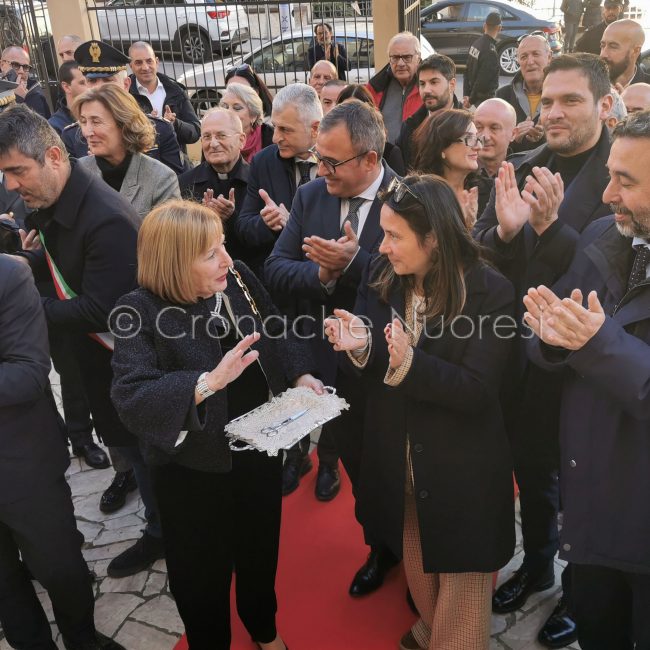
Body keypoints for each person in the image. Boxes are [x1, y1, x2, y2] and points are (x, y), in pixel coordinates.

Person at [110, 199, 321, 650]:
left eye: (223, 245)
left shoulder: (238, 276)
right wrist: (205, 384)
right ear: (174, 263)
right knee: (200, 578)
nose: (227, 258)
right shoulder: (138, 310)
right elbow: (130, 396)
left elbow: (275, 328)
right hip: (191, 473)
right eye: (211, 253)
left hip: (258, 452)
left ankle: (263, 628)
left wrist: (301, 373)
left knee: (259, 554)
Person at [324, 174, 516, 650]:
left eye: (393, 235)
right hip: (399, 456)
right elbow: (384, 355)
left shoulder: (491, 290)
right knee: (415, 548)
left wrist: (409, 363)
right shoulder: (389, 275)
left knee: (464, 580)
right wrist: (363, 345)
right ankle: (432, 629)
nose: (382, 247)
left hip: (462, 466)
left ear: (433, 238)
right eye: (383, 233)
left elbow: (477, 389)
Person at [475, 53, 613, 649]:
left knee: (587, 486)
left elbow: (607, 273)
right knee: (532, 474)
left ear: (605, 106)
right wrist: (506, 233)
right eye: (547, 100)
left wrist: (552, 230)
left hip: (588, 369)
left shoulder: (628, 173)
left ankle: (582, 592)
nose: (553, 111)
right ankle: (538, 567)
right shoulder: (525, 164)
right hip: (521, 361)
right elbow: (483, 249)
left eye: (571, 101)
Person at [0, 105, 164, 581]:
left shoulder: (105, 218)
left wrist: (24, 305)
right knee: (130, 450)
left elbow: (102, 309)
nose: (11, 185)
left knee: (145, 455)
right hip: (95, 360)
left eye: (17, 171)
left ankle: (162, 532)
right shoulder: (52, 201)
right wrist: (27, 267)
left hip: (127, 363)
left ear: (53, 156)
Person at [523, 108, 650, 650]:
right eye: (610, 176)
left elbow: (595, 343)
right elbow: (556, 332)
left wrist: (595, 345)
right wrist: (550, 340)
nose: (607, 195)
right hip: (591, 507)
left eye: (627, 181)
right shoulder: (604, 233)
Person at [266, 100, 402, 595]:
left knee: (397, 471)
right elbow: (276, 270)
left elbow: (417, 284)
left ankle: (417, 558)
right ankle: (380, 550)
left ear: (370, 159)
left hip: (389, 369)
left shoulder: (409, 197)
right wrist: (324, 273)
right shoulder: (310, 196)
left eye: (331, 162)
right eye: (318, 158)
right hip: (328, 364)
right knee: (359, 467)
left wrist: (358, 262)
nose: (319, 169)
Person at [0, 256, 124, 650]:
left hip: (21, 462)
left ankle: (83, 640)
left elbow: (28, 374)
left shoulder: (9, 275)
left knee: (60, 568)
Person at [235, 83, 321, 282]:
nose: (275, 138)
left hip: (326, 287)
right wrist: (266, 223)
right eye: (275, 127)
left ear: (315, 128)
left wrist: (291, 223)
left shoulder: (339, 162)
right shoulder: (264, 162)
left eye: (285, 130)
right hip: (280, 286)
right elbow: (244, 227)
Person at [63, 40, 185, 175]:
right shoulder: (72, 136)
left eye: (108, 81)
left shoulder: (159, 129)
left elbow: (175, 183)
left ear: (126, 85)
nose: (99, 88)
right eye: (92, 81)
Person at [74, 84, 180, 222]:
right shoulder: (76, 173)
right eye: (83, 122)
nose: (88, 132)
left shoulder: (161, 179)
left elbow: (168, 239)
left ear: (124, 124)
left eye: (96, 121)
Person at [179, 108, 250, 266]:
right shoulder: (184, 183)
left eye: (221, 135)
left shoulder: (258, 181)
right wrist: (203, 221)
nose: (213, 143)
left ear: (241, 140)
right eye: (206, 137)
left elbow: (262, 241)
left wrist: (232, 218)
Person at [412, 109, 492, 228]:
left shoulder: (490, 191)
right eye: (469, 139)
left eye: (478, 139)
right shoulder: (417, 197)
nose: (479, 146)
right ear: (442, 147)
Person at [128, 41, 200, 153]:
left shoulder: (175, 90)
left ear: (156, 62)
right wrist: (142, 127)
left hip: (175, 165)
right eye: (138, 63)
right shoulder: (125, 94)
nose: (145, 67)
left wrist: (175, 123)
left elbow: (195, 132)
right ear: (131, 66)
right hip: (140, 164)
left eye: (149, 61)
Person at [397, 54, 460, 170]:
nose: (426, 90)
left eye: (434, 82)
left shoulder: (470, 126)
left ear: (452, 85)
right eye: (422, 84)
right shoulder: (410, 127)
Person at [497, 35, 552, 153]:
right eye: (524, 56)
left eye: (536, 54)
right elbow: (492, 143)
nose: (530, 61)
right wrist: (513, 139)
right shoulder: (503, 97)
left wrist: (545, 137)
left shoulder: (562, 96)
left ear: (549, 57)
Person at [336, 83, 406, 175]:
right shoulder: (331, 150)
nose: (351, 117)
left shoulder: (390, 153)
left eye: (357, 111)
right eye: (344, 110)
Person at [367, 31, 423, 144]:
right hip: (385, 157)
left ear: (418, 59)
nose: (401, 63)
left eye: (407, 57)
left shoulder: (429, 88)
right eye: (395, 57)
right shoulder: (375, 88)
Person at [220, 82, 273, 162]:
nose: (229, 112)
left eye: (237, 108)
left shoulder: (271, 138)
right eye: (225, 107)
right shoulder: (212, 138)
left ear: (253, 116)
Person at [463, 12, 502, 109]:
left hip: (476, 97)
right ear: (499, 28)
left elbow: (467, 71)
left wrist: (466, 95)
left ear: (484, 26)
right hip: (485, 100)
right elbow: (482, 81)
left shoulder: (476, 44)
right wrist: (471, 100)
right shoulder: (490, 51)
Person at [0, 45, 50, 119]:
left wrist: (18, 100)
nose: (21, 71)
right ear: (2, 65)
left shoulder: (35, 96)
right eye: (15, 65)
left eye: (25, 67)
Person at [473, 98, 517, 178]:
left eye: (494, 128)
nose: (485, 137)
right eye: (479, 127)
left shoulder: (524, 174)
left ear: (513, 134)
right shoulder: (459, 173)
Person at [600, 19, 649, 88]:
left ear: (635, 51)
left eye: (613, 47)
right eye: (602, 45)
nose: (603, 54)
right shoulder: (590, 84)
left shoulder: (647, 88)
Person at [49, 60, 87, 134]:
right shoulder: (55, 126)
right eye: (82, 83)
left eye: (90, 81)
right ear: (66, 87)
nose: (89, 87)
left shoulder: (98, 113)